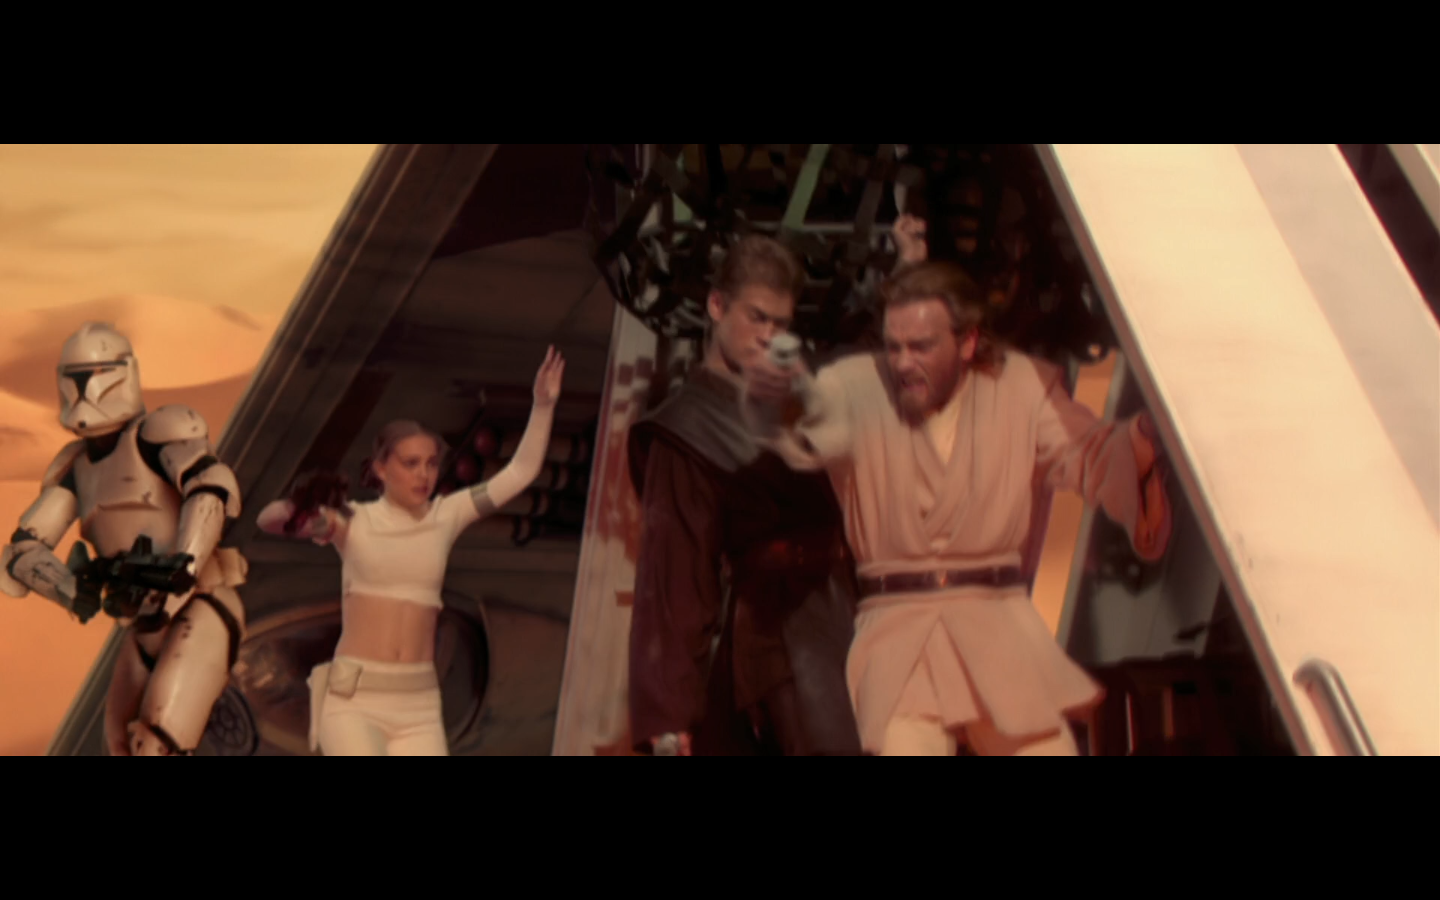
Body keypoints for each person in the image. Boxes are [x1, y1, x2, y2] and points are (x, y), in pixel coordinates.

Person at [743, 258, 1172, 756]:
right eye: (894, 346)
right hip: (899, 633)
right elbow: (806, 418)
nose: (903, 362)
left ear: (967, 342)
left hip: (997, 625)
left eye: (921, 346)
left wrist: (1141, 440)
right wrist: (776, 392)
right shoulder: (858, 385)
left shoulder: (1019, 386)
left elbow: (1090, 454)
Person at [256, 347, 565, 755]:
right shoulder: (352, 521)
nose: (424, 474)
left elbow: (520, 473)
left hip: (418, 704)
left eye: (431, 464)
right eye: (411, 463)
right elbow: (270, 520)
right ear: (381, 468)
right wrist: (300, 506)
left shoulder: (447, 515)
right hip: (356, 697)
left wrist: (543, 406)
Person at [627, 235, 863, 756]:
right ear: (717, 305)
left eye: (780, 324)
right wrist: (668, 720)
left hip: (847, 613)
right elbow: (673, 578)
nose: (769, 337)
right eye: (757, 318)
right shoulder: (686, 429)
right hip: (779, 635)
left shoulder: (795, 401)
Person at [0, 322, 249, 756]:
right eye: (76, 377)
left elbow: (211, 486)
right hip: (140, 626)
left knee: (154, 744)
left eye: (94, 375)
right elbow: (22, 551)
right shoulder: (75, 466)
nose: (85, 389)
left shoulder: (157, 434)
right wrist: (70, 588)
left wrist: (184, 565)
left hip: (201, 607)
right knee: (119, 746)